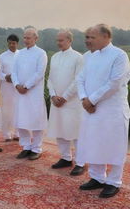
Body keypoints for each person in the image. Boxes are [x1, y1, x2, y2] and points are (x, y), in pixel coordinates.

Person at [77, 24, 130, 198]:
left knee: (114, 145)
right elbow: (80, 79)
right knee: (94, 142)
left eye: (92, 37)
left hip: (112, 110)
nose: (88, 41)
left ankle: (114, 182)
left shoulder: (119, 55)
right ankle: (97, 177)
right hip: (91, 109)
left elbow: (115, 83)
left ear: (106, 36)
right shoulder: (90, 57)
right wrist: (84, 98)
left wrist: (91, 100)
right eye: (87, 37)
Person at [47, 30, 85, 175]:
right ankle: (65, 157)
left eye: (61, 40)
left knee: (75, 133)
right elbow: (50, 79)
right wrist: (52, 95)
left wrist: (65, 97)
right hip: (56, 101)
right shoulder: (55, 57)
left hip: (71, 102)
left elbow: (78, 80)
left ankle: (80, 162)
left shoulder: (78, 58)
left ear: (69, 40)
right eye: (57, 40)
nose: (58, 43)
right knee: (60, 130)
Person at [12, 27, 48, 160]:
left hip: (33, 93)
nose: (26, 40)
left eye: (28, 37)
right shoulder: (18, 53)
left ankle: (36, 148)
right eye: (25, 37)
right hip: (20, 92)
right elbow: (14, 71)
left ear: (35, 38)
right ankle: (26, 147)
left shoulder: (41, 53)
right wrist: (17, 84)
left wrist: (26, 86)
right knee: (21, 120)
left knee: (36, 121)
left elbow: (39, 73)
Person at [0, 34, 19, 142]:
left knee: (18, 109)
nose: (12, 45)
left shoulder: (21, 55)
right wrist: (5, 77)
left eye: (14, 43)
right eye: (10, 43)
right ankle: (7, 134)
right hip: (6, 86)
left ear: (17, 44)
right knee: (6, 110)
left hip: (18, 87)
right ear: (8, 43)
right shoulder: (2, 56)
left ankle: (17, 133)